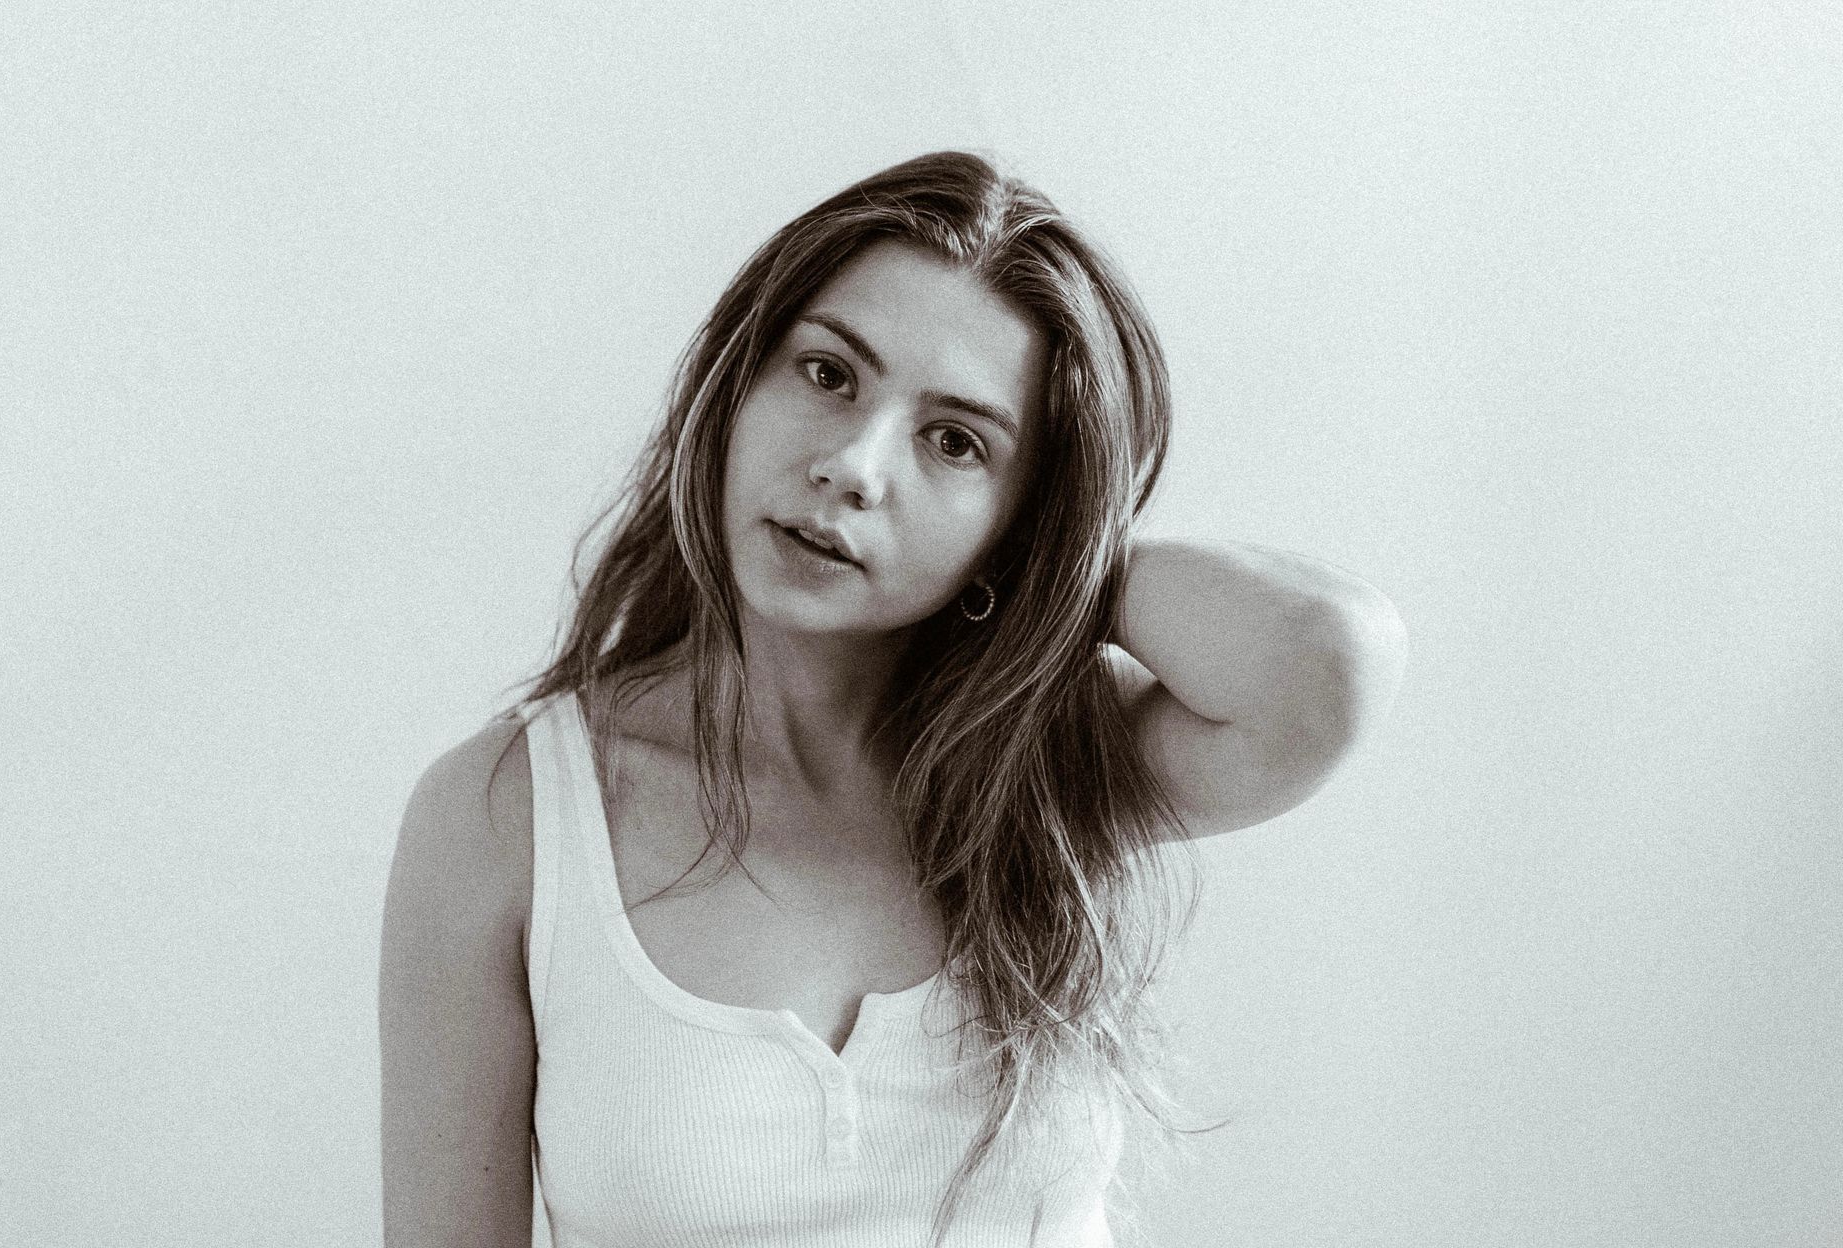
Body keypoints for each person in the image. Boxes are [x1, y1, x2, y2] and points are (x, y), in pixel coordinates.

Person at [379, 150, 1409, 1248]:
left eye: (955, 442)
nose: (854, 467)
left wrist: (1055, 561)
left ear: (1019, 515)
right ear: (735, 384)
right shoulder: (511, 818)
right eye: (828, 375)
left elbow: (1329, 660)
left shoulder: (1051, 763)